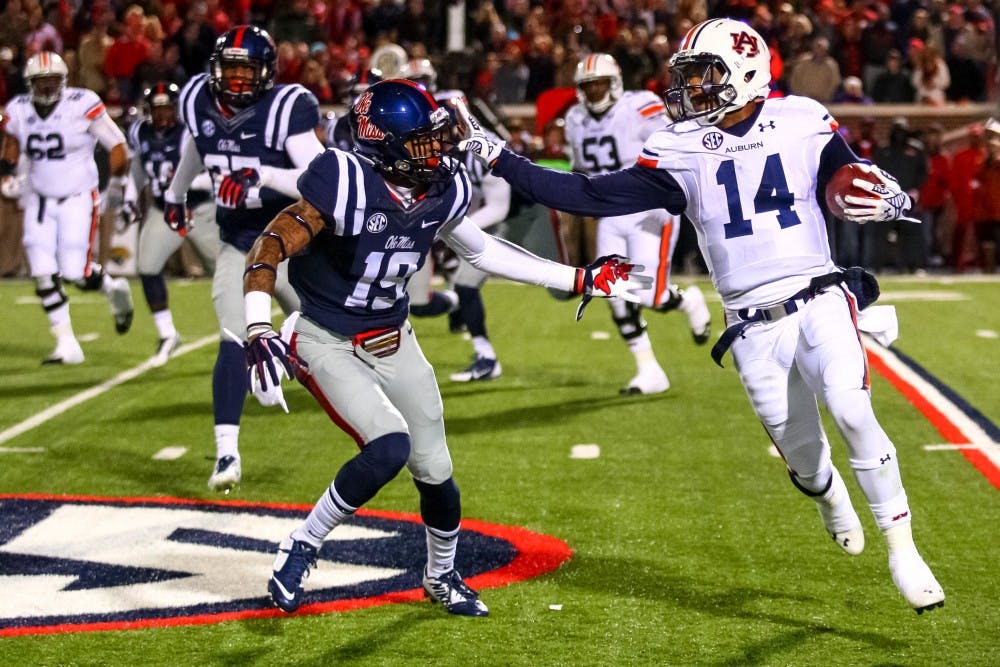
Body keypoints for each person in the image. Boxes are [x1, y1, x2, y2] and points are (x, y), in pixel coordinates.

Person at [458, 18, 945, 614]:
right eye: (688, 77)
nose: (691, 90)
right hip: (750, 322)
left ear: (745, 71)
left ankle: (903, 550)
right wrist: (500, 157)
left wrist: (874, 190)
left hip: (818, 293)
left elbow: (842, 171)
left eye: (704, 76)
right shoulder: (678, 145)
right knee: (807, 461)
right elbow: (587, 195)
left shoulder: (801, 119)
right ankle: (828, 498)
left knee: (851, 406)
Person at [239, 79, 650, 616]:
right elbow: (270, 244)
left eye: (436, 138)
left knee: (436, 472)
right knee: (388, 448)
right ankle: (303, 543)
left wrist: (577, 279)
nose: (437, 151)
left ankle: (440, 576)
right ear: (382, 143)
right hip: (325, 338)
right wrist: (256, 325)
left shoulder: (442, 187)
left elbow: (484, 252)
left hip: (394, 338)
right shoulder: (343, 179)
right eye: (421, 142)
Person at [163, 25, 324, 491]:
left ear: (265, 74)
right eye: (229, 70)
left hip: (294, 245)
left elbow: (320, 181)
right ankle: (226, 453)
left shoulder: (285, 109)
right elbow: (200, 143)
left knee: (327, 333)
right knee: (234, 336)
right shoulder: (198, 99)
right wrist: (176, 192)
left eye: (245, 71)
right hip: (239, 244)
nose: (235, 81)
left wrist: (264, 176)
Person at [564, 53, 711, 395]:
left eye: (599, 84)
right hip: (610, 214)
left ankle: (688, 301)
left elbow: (674, 148)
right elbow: (579, 169)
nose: (595, 92)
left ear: (614, 84)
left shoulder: (640, 107)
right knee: (611, 290)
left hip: (647, 208)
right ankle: (649, 370)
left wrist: (669, 193)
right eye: (588, 86)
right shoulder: (575, 119)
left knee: (650, 295)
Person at [0, 50, 133, 365]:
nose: (46, 88)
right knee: (43, 270)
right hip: (38, 197)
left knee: (76, 272)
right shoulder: (18, 109)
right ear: (30, 83)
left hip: (77, 196)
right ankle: (67, 343)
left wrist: (115, 185)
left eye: (52, 81)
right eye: (40, 82)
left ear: (63, 80)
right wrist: (6, 172)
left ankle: (115, 290)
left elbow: (117, 144)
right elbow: (12, 141)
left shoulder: (81, 103)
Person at [124, 82, 220, 366]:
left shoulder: (192, 133)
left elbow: (214, 174)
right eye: (158, 109)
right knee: (148, 267)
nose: (163, 115)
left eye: (168, 108)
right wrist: (130, 198)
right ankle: (167, 334)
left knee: (231, 272)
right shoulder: (139, 132)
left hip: (201, 208)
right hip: (163, 211)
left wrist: (183, 195)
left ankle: (254, 334)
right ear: (148, 111)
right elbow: (138, 169)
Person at [435, 90, 513, 382]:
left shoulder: (485, 143)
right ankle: (456, 305)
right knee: (456, 282)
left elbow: (499, 207)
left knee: (466, 285)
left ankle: (487, 358)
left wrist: (445, 229)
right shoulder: (435, 143)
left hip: (507, 220)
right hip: (464, 220)